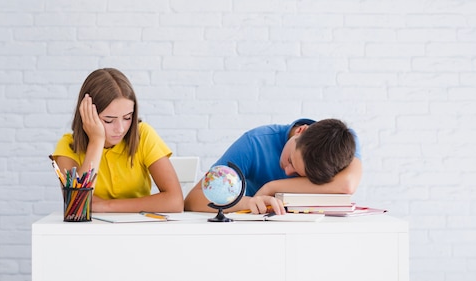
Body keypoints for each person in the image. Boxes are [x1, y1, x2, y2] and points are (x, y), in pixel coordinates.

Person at [52, 68, 184, 213]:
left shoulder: (143, 135)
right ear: (87, 115)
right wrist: (96, 141)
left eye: (127, 118)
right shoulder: (68, 146)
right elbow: (77, 206)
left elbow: (175, 202)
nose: (120, 129)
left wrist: (106, 206)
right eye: (109, 120)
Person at [184, 118, 362, 214]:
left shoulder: (343, 144)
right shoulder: (254, 143)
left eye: (300, 175)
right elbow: (194, 199)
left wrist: (272, 187)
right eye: (291, 160)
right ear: (301, 131)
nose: (287, 171)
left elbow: (347, 185)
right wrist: (247, 202)